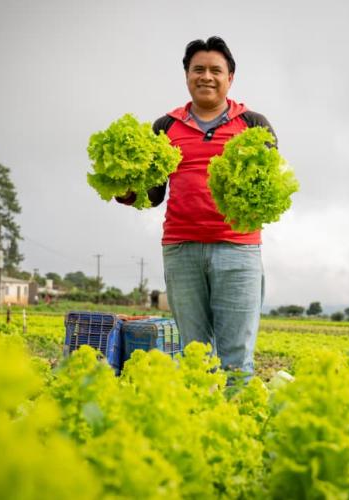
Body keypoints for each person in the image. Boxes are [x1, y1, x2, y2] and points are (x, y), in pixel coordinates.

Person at [117, 36, 277, 380]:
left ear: (230, 77)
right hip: (181, 250)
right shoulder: (165, 127)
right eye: (198, 69)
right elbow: (154, 194)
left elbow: (270, 188)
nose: (206, 76)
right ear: (187, 75)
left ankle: (236, 426)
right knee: (195, 356)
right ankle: (202, 424)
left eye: (215, 70)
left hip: (238, 251)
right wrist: (126, 191)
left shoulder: (253, 123)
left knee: (237, 361)